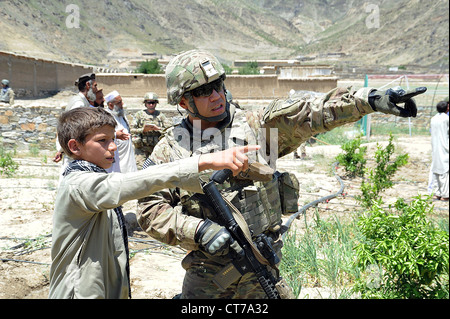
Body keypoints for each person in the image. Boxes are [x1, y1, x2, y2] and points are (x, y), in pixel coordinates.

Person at [137, 49, 426, 299]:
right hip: (208, 274)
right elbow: (150, 209)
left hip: (261, 262)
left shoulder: (256, 125)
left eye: (218, 85)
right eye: (202, 91)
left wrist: (370, 99)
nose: (215, 96)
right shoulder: (170, 149)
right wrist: (198, 230)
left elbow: (310, 112)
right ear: (184, 102)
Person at [48, 106, 258, 299]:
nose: (113, 147)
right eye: (103, 140)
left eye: (113, 139)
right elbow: (131, 182)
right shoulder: (78, 184)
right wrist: (203, 162)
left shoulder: (92, 177)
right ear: (75, 147)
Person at [130, 92, 172, 168]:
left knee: (158, 168)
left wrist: (158, 129)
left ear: (156, 103)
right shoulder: (139, 115)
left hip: (156, 148)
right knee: (140, 168)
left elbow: (169, 129)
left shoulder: (160, 116)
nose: (151, 105)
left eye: (153, 102)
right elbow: (131, 130)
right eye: (148, 102)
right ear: (145, 103)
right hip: (142, 148)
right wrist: (143, 130)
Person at [104, 90, 137, 173]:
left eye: (121, 101)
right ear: (111, 105)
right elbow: (102, 135)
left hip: (129, 160)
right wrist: (115, 135)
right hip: (117, 164)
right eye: (119, 102)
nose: (122, 104)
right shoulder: (106, 117)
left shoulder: (120, 115)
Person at [430, 100, 449, 201]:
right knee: (445, 171)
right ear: (447, 108)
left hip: (435, 147)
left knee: (436, 169)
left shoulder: (433, 118)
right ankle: (445, 195)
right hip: (445, 147)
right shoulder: (446, 119)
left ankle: (437, 193)